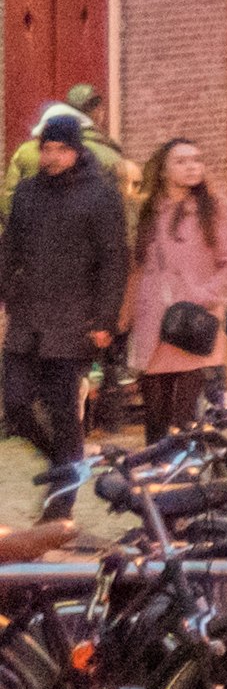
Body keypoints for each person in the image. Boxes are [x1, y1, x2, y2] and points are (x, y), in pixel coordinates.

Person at [2, 107, 129, 468]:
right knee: (16, 404)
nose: (52, 157)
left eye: (60, 149)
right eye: (47, 149)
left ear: (75, 151)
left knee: (63, 410)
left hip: (72, 321)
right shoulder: (27, 193)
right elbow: (10, 247)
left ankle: (63, 498)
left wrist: (105, 319)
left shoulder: (100, 195)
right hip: (26, 319)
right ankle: (64, 464)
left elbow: (114, 261)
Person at [123, 134, 227, 440]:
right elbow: (138, 269)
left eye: (196, 160)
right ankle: (156, 483)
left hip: (192, 326)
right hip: (153, 325)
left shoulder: (215, 207)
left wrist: (199, 299)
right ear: (164, 171)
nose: (192, 167)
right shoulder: (148, 212)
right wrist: (123, 316)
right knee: (154, 422)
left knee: (183, 421)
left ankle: (186, 481)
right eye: (181, 161)